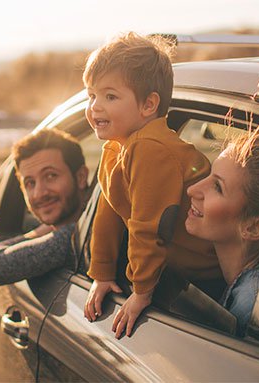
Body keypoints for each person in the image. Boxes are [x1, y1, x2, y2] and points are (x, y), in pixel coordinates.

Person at [80, 32, 221, 339]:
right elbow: (109, 212)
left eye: (110, 96)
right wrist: (102, 273)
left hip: (206, 277)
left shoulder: (150, 148)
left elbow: (149, 226)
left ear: (148, 105)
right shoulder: (118, 147)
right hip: (178, 271)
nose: (95, 107)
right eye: (91, 96)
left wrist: (141, 291)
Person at [183, 129, 259, 336]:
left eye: (217, 187)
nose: (192, 190)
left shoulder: (250, 306)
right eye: (209, 175)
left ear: (253, 227)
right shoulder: (256, 284)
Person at [0, 129, 90, 288]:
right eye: (30, 183)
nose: (39, 193)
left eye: (51, 176)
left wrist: (39, 232)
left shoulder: (76, 237)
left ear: (81, 177)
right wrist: (45, 230)